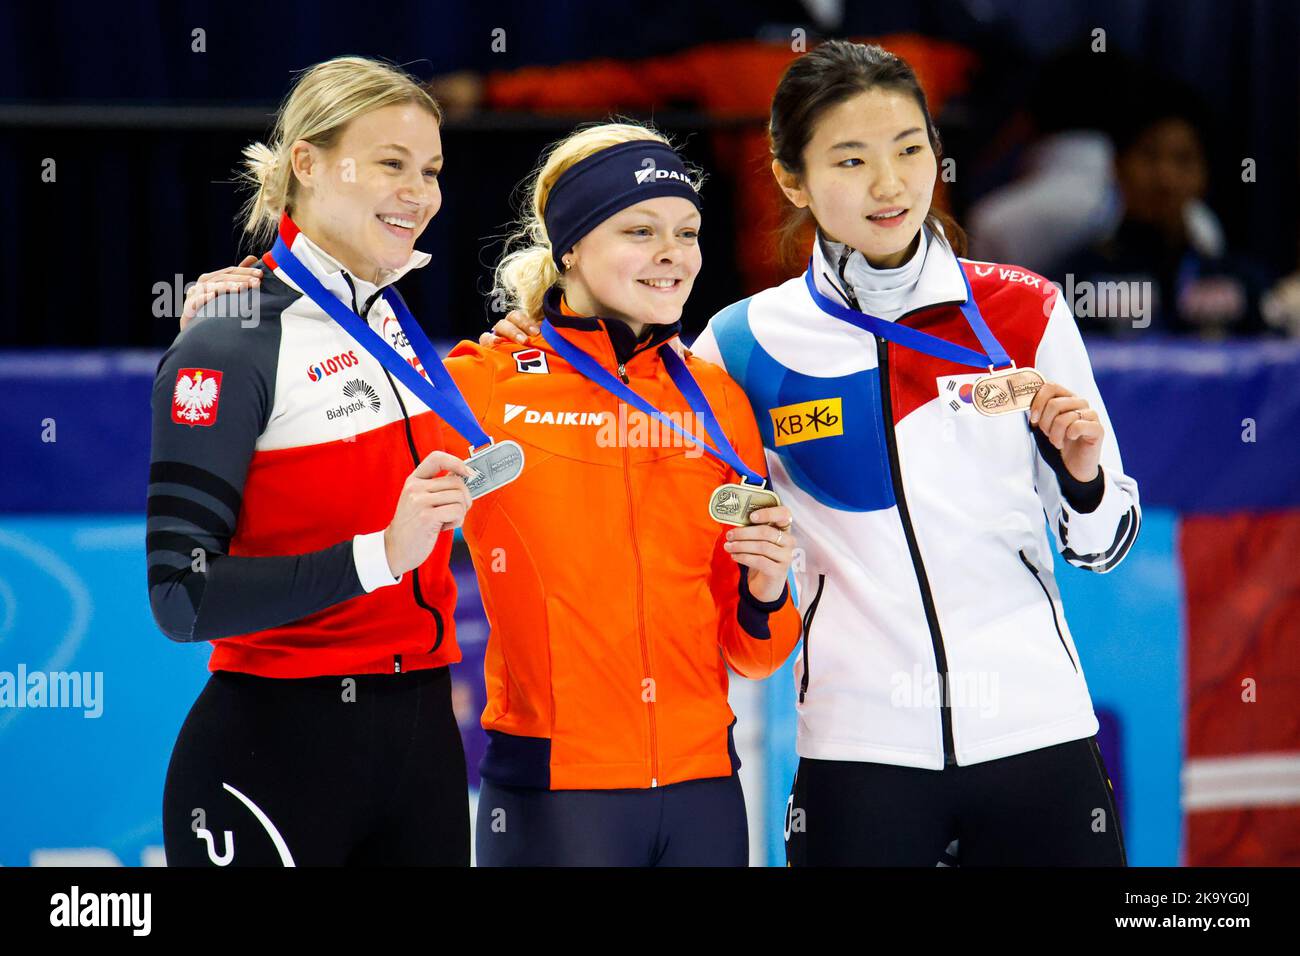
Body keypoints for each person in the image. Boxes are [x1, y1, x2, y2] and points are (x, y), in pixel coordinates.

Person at [485, 40, 1142, 866]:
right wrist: (537, 332)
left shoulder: (1025, 310)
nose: (889, 184)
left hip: (1039, 732)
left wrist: (1082, 477)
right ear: (790, 179)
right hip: (858, 752)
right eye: (851, 158)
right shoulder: (742, 342)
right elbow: (621, 396)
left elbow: (1101, 546)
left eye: (909, 149)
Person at [181, 122, 805, 866]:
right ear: (569, 247)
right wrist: (232, 334)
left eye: (688, 231)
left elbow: (754, 653)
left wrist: (767, 591)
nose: (673, 253)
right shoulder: (478, 387)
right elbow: (310, 463)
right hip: (553, 796)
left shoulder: (715, 401)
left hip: (708, 789)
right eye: (639, 231)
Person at [151, 56, 475, 866]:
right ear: (308, 162)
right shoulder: (229, 337)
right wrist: (381, 556)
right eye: (391, 164)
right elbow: (180, 598)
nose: (420, 192)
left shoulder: (395, 323)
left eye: (430, 170)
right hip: (273, 757)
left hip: (424, 742)